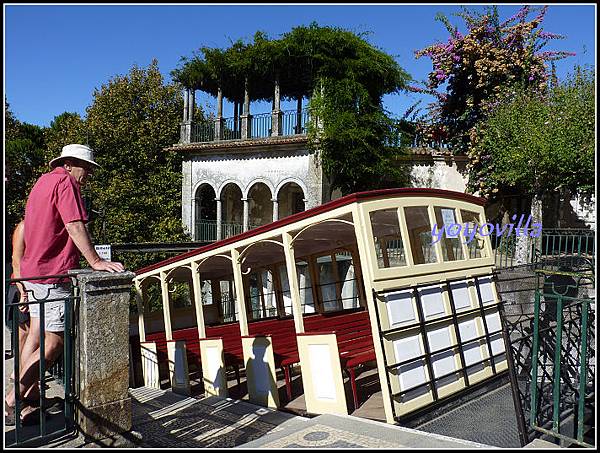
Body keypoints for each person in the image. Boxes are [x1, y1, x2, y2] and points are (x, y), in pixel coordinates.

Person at [5, 144, 125, 426]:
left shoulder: (42, 182)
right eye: (87, 168)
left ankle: (28, 392)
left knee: (35, 335)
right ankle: (14, 399)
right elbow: (74, 224)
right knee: (54, 342)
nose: (89, 175)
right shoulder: (65, 182)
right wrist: (95, 261)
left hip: (33, 273)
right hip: (51, 273)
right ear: (70, 164)